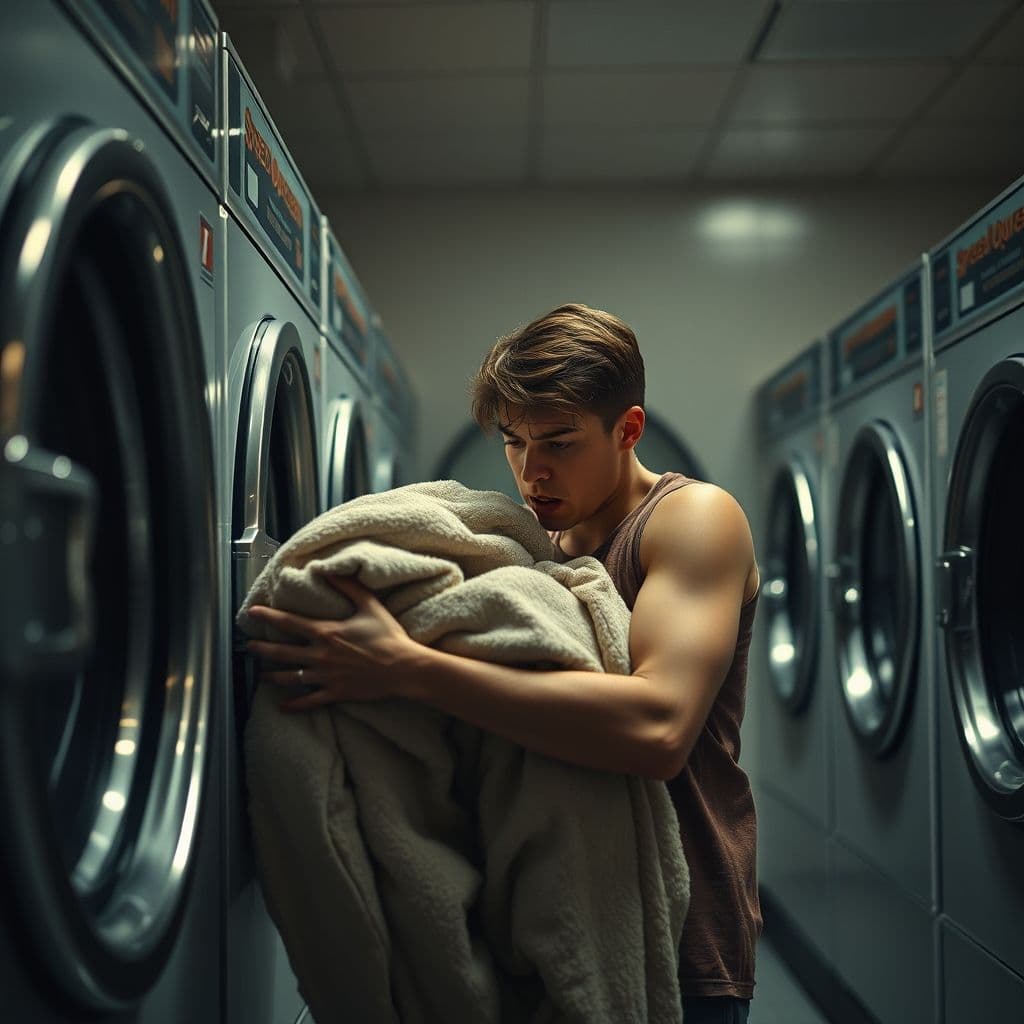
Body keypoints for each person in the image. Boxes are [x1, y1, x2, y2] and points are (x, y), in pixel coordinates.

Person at [246, 302, 762, 1023]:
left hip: (682, 940)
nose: (532, 471)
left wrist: (405, 666)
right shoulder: (541, 548)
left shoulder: (692, 520)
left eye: (559, 442)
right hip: (557, 918)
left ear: (629, 430)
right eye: (514, 442)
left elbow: (659, 730)